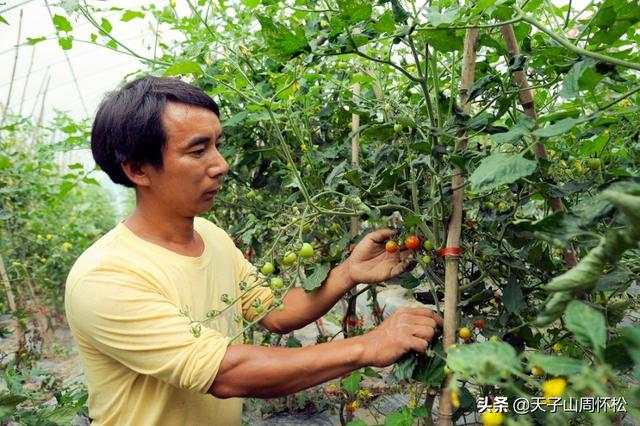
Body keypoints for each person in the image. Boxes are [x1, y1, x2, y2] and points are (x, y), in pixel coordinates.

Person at [65, 76, 442, 425]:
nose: (221, 164)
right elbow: (227, 372)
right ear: (138, 170)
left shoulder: (210, 235)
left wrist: (347, 273)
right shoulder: (106, 277)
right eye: (198, 151)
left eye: (217, 144)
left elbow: (273, 312)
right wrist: (370, 345)